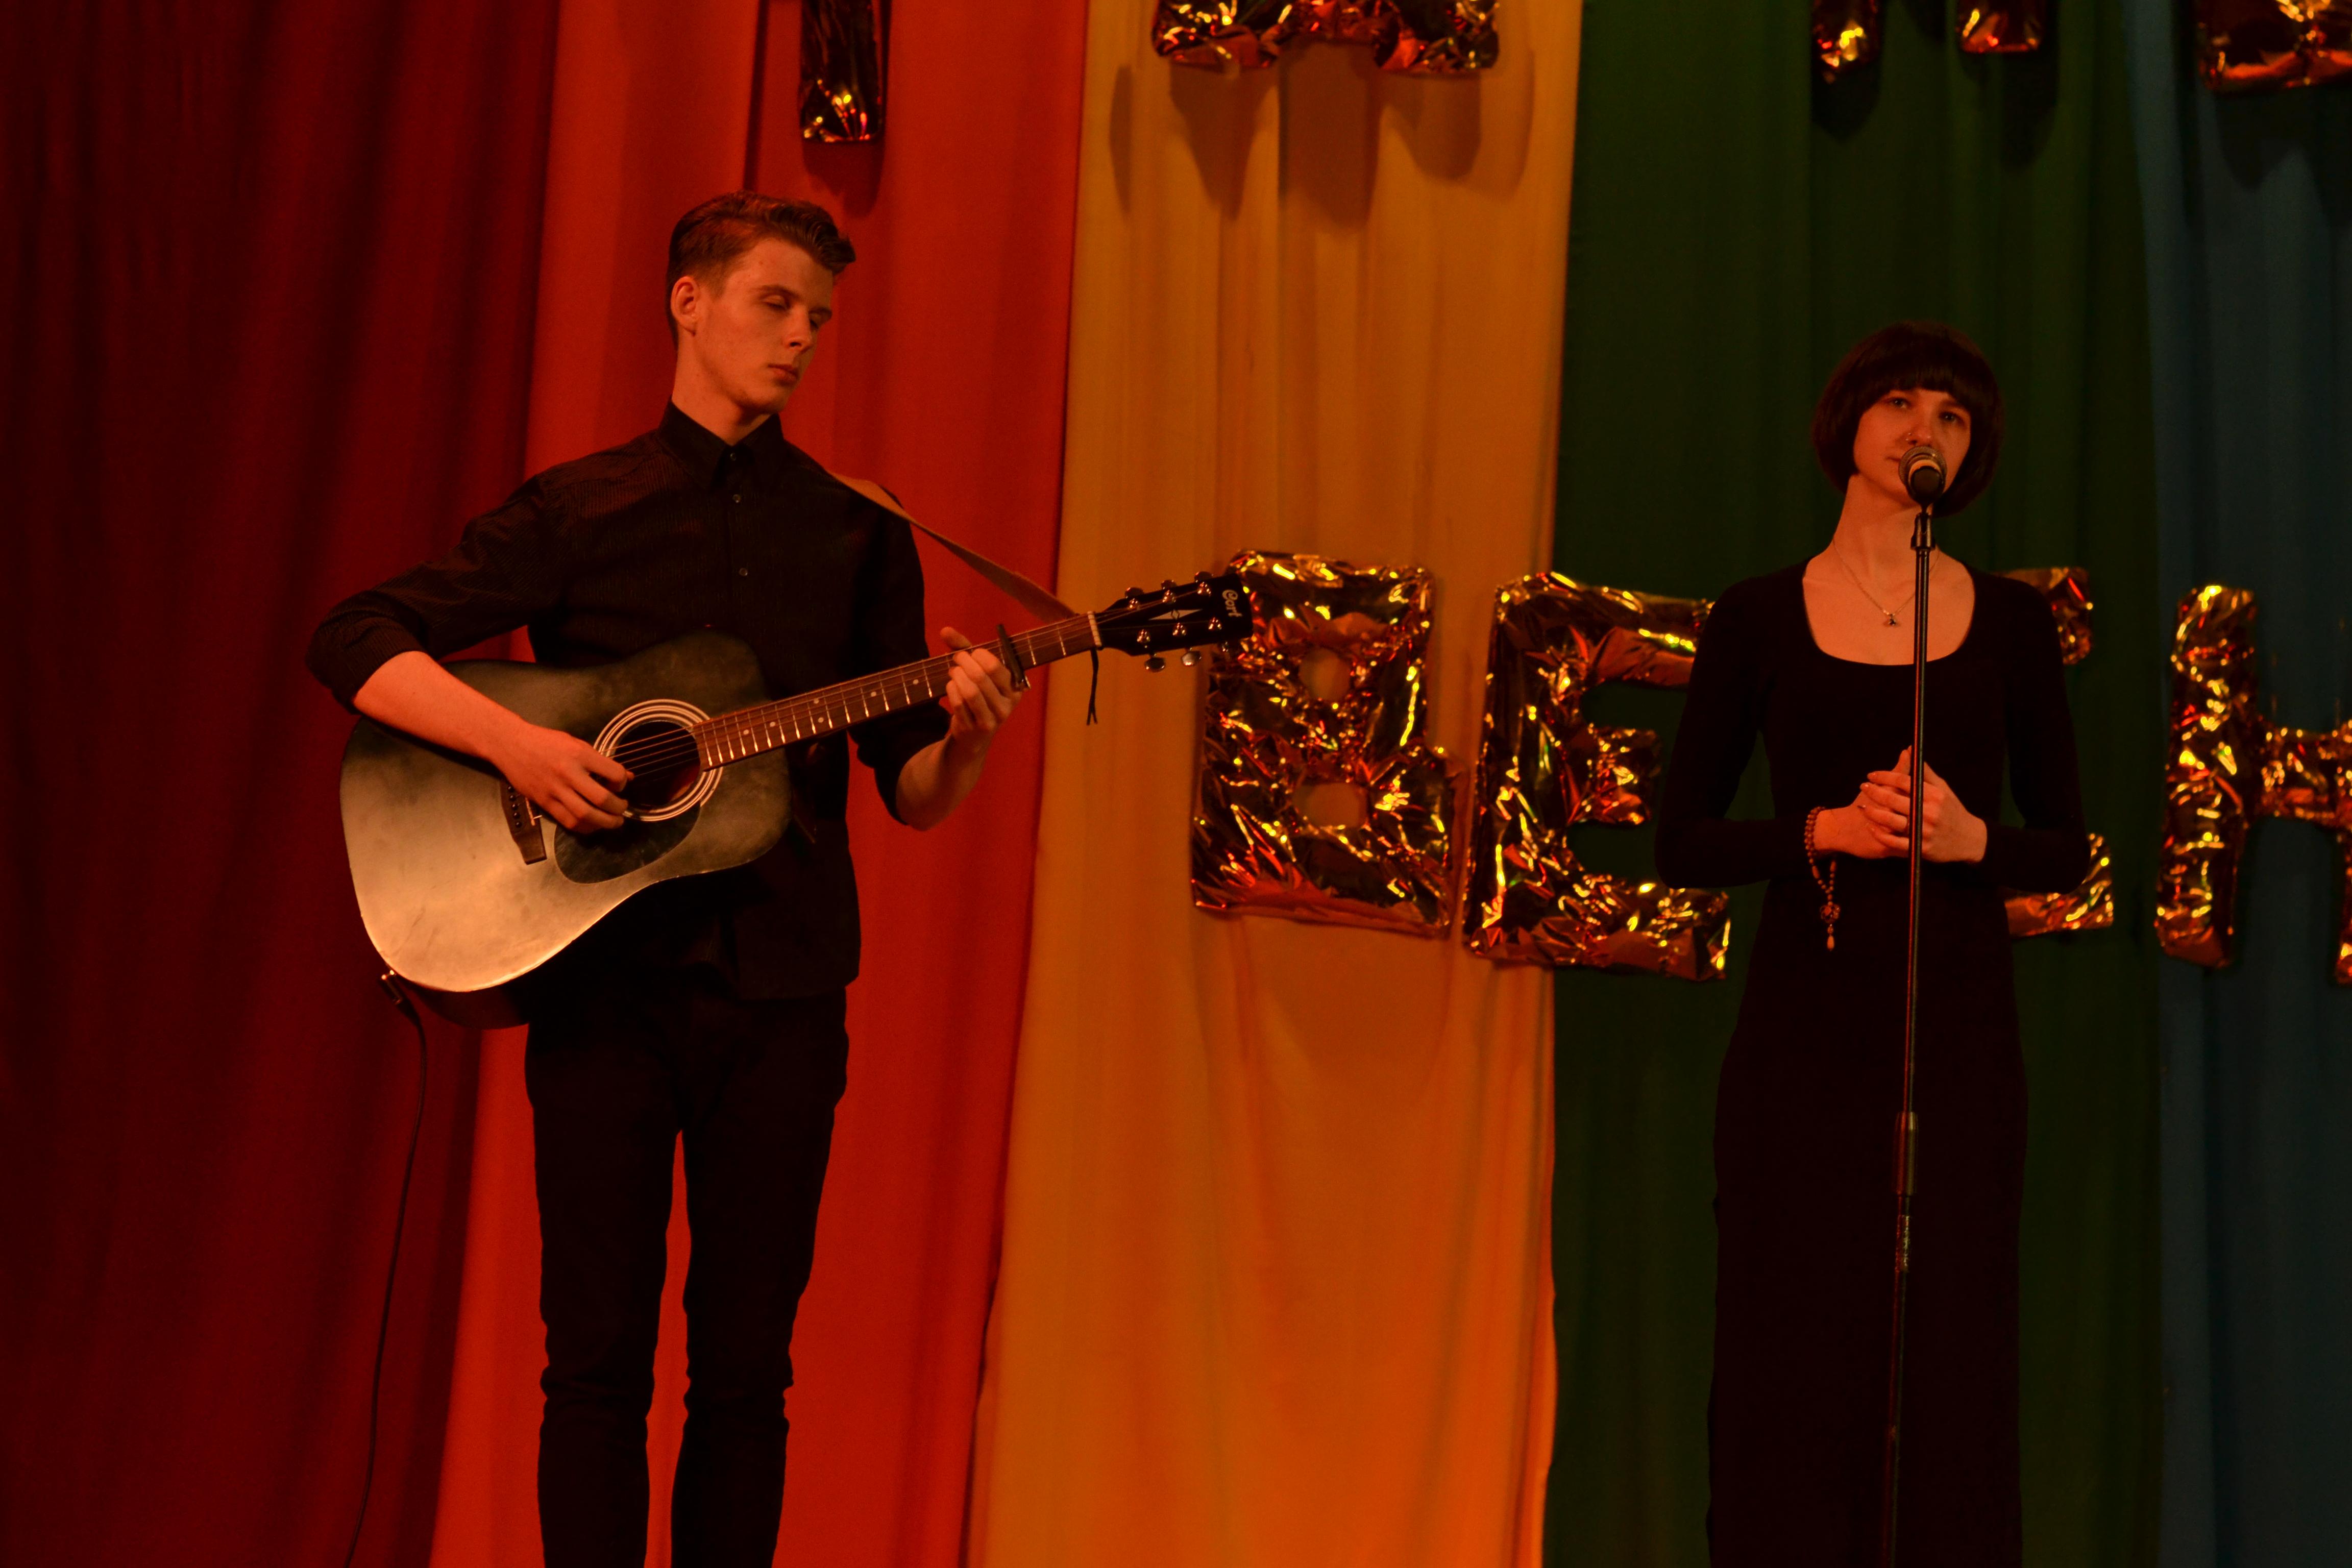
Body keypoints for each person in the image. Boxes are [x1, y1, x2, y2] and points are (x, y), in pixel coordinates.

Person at [306, 191, 1021, 1567]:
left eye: (819, 318)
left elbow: (912, 793)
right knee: (594, 1367)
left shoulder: (859, 531)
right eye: (775, 303)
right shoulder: (581, 509)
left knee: (748, 1376)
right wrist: (519, 747)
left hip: (786, 991)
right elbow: (355, 636)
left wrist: (972, 738)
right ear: (689, 302)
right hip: (606, 989)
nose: (800, 337)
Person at [1655, 321, 2089, 1566]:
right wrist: (1825, 829)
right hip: (1803, 1035)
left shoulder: (2011, 623)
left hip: (1958, 1034)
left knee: (1948, 1342)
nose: (1923, 429)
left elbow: (2066, 845)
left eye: (1952, 415)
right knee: (1792, 1341)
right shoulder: (1757, 616)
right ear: (1849, 423)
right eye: (1901, 403)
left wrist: (1968, 839)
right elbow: (1682, 839)